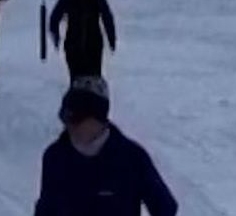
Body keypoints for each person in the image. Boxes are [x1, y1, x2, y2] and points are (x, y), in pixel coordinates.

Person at [34, 77, 177, 216]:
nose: (70, 126)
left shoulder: (132, 158)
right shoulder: (55, 157)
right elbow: (46, 210)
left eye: (77, 120)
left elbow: (165, 207)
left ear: (98, 121)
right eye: (66, 119)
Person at [50, 0, 117, 82]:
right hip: (93, 45)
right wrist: (112, 39)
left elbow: (54, 19)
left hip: (73, 45)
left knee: (76, 79)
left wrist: (56, 37)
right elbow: (107, 18)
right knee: (94, 78)